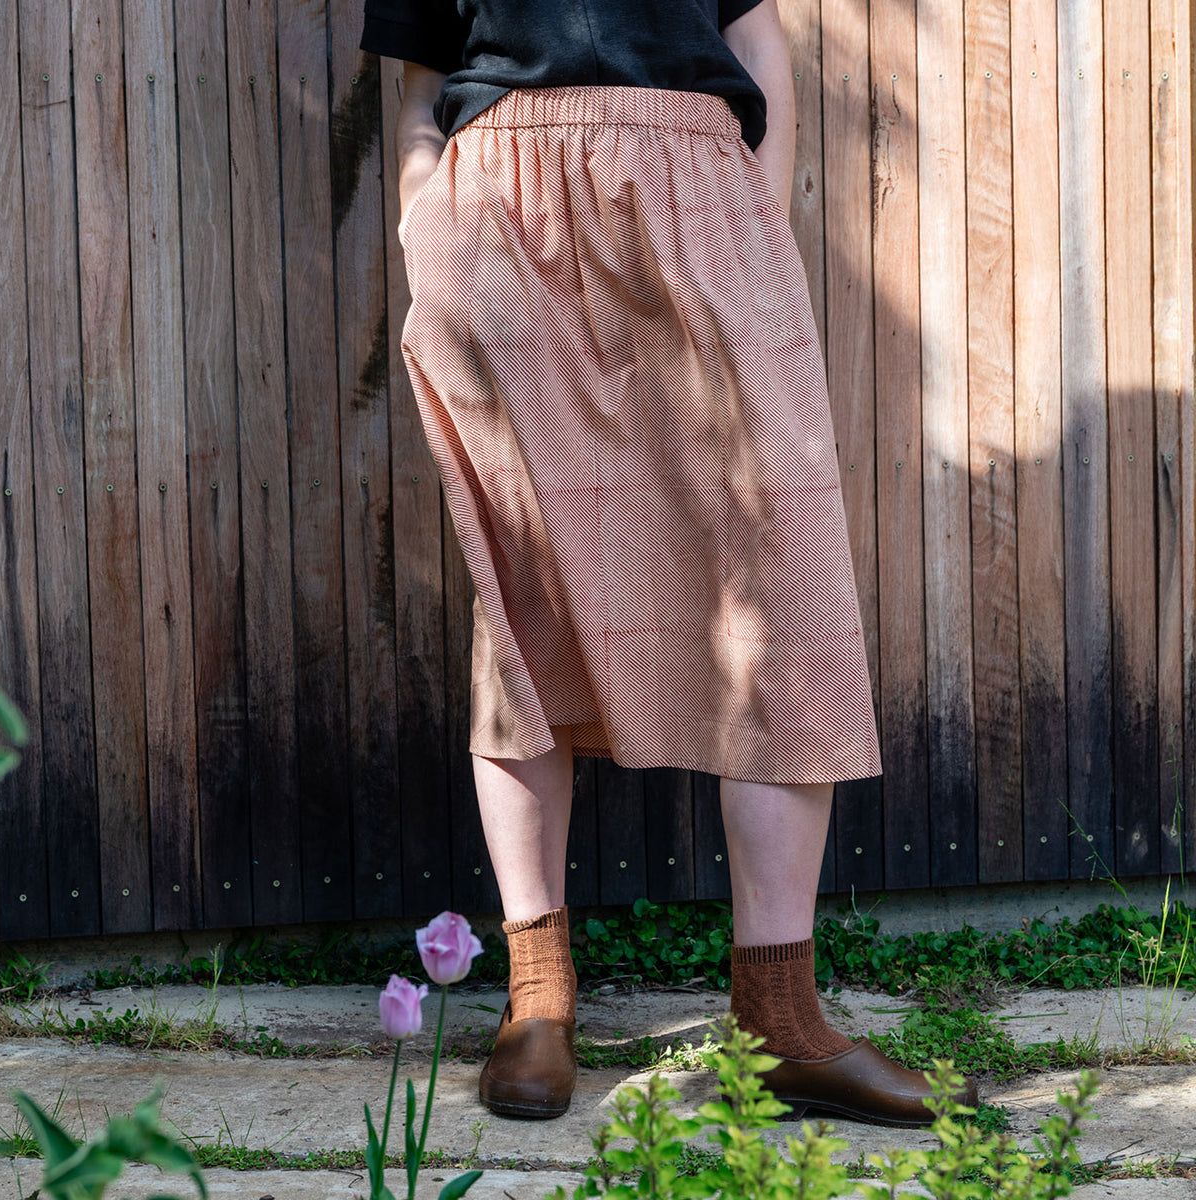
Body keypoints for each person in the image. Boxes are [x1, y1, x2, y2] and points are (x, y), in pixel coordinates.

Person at [362, 0, 978, 1126]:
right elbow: (418, 87)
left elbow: (759, 44)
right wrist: (422, 220)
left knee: (785, 597)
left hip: (707, 202)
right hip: (501, 215)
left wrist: (758, 222)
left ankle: (782, 1023)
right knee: (524, 605)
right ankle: (537, 1001)